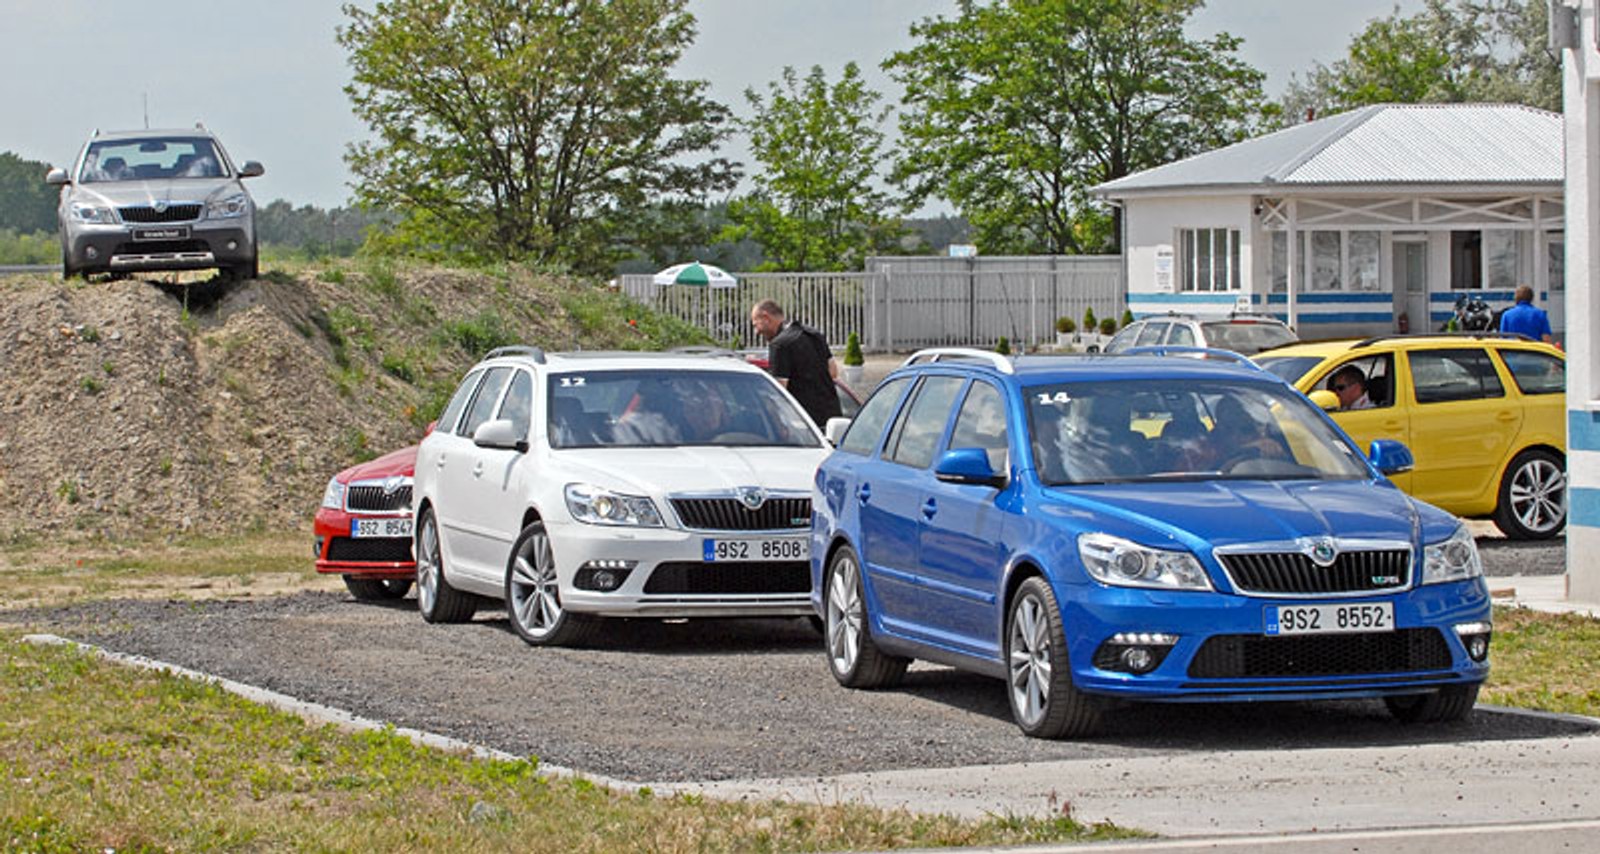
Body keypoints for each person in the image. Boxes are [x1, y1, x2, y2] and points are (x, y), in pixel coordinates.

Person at [750, 299, 841, 428]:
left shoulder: (780, 345)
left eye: (755, 325)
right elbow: (833, 372)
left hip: (804, 424)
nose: (756, 332)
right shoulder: (813, 334)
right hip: (832, 420)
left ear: (766, 317)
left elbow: (778, 392)